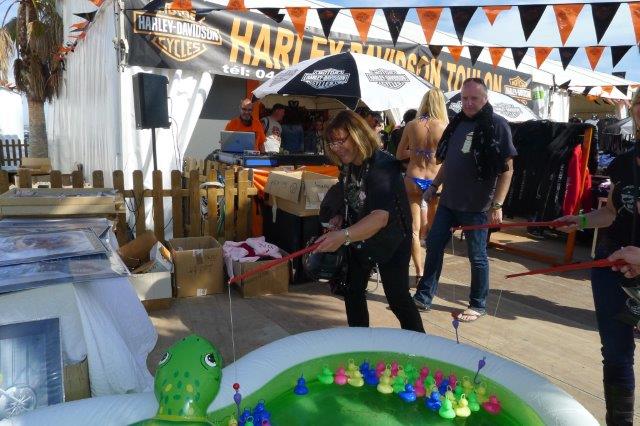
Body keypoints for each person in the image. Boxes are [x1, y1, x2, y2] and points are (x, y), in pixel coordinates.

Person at [556, 89, 640, 425]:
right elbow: (611, 213)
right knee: (616, 355)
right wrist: (579, 221)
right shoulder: (624, 162)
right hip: (611, 264)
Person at [413, 78, 517, 322]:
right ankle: (424, 296)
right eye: (464, 98)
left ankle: (478, 304)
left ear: (485, 99)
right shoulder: (457, 124)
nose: (468, 103)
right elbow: (449, 162)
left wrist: (498, 205)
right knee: (434, 246)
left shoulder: (497, 125)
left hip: (478, 206)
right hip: (449, 201)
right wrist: (434, 186)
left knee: (477, 256)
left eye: (474, 98)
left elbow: (508, 169)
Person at [315, 110, 424, 333]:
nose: (336, 148)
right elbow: (351, 195)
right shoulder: (348, 164)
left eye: (340, 141)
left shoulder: (383, 165)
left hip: (392, 239)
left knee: (397, 298)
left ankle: (420, 344)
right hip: (360, 237)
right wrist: (339, 216)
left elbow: (380, 217)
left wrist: (343, 235)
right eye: (332, 143)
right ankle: (359, 341)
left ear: (357, 135)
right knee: (352, 290)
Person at [396, 89, 448, 279]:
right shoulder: (445, 126)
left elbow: (399, 155)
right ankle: (430, 274)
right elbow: (447, 158)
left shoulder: (411, 125)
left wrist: (417, 151)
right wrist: (431, 153)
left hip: (413, 178)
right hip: (435, 181)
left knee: (413, 230)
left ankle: (419, 271)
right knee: (434, 232)